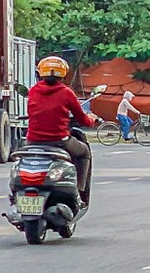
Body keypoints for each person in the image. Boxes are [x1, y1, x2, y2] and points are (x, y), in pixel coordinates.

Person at [24, 56, 96, 208]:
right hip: (60, 141)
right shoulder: (66, 92)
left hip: (32, 141)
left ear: (41, 73)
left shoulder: (33, 91)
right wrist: (91, 120)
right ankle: (80, 192)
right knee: (84, 154)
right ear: (63, 74)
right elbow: (82, 119)